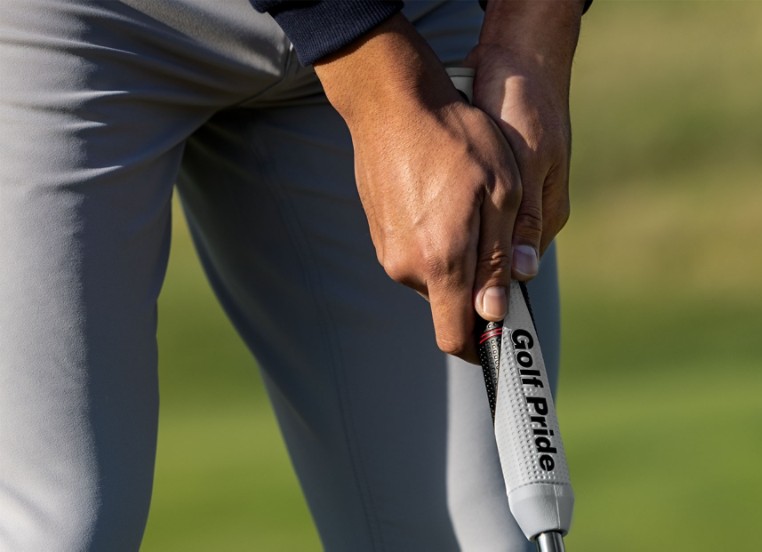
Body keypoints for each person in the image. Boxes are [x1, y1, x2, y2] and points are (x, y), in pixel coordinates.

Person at [0, 0, 587, 549]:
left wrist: (531, 37)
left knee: (477, 531)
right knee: (61, 526)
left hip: (417, 19)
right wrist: (369, 66)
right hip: (83, 23)